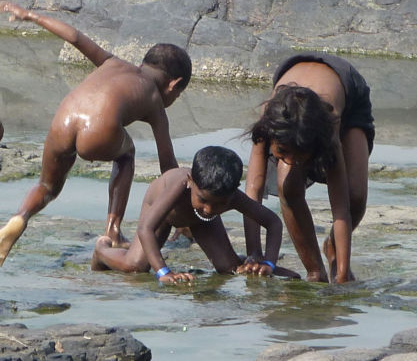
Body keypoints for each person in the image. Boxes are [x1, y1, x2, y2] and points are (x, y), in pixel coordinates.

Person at [0, 1, 192, 266]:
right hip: (98, 130)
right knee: (127, 155)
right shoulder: (155, 100)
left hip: (63, 118)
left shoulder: (112, 62)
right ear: (174, 84)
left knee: (47, 186)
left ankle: (19, 218)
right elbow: (168, 168)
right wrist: (184, 217)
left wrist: (30, 15)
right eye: (178, 95)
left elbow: (75, 37)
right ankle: (113, 230)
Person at [241, 53, 374, 284]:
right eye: (283, 152)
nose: (292, 161)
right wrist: (254, 253)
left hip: (348, 97)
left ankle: (333, 249)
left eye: (300, 155)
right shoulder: (268, 122)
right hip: (293, 109)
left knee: (356, 196)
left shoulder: (329, 122)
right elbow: (253, 193)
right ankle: (315, 270)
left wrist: (343, 273)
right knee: (287, 184)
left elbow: (341, 208)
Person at [91, 146, 299, 283]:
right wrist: (163, 272)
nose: (209, 208)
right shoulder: (180, 185)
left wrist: (268, 263)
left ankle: (256, 265)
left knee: (230, 268)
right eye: (203, 199)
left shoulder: (230, 196)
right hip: (164, 214)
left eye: (219, 204)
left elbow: (273, 223)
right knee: (136, 266)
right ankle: (102, 250)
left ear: (232, 192)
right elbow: (145, 228)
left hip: (200, 222)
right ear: (191, 182)